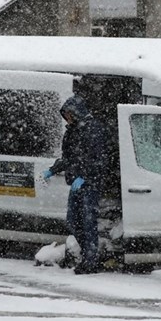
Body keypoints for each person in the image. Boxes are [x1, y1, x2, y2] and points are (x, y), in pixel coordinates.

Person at [42, 96, 107, 274]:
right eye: (66, 115)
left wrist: (85, 177)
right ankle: (89, 256)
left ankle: (90, 262)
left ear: (77, 111)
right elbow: (69, 158)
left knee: (88, 223)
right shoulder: (72, 131)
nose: (68, 118)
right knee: (73, 221)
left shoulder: (93, 129)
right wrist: (53, 170)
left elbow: (98, 159)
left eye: (70, 114)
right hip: (76, 184)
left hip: (90, 185)